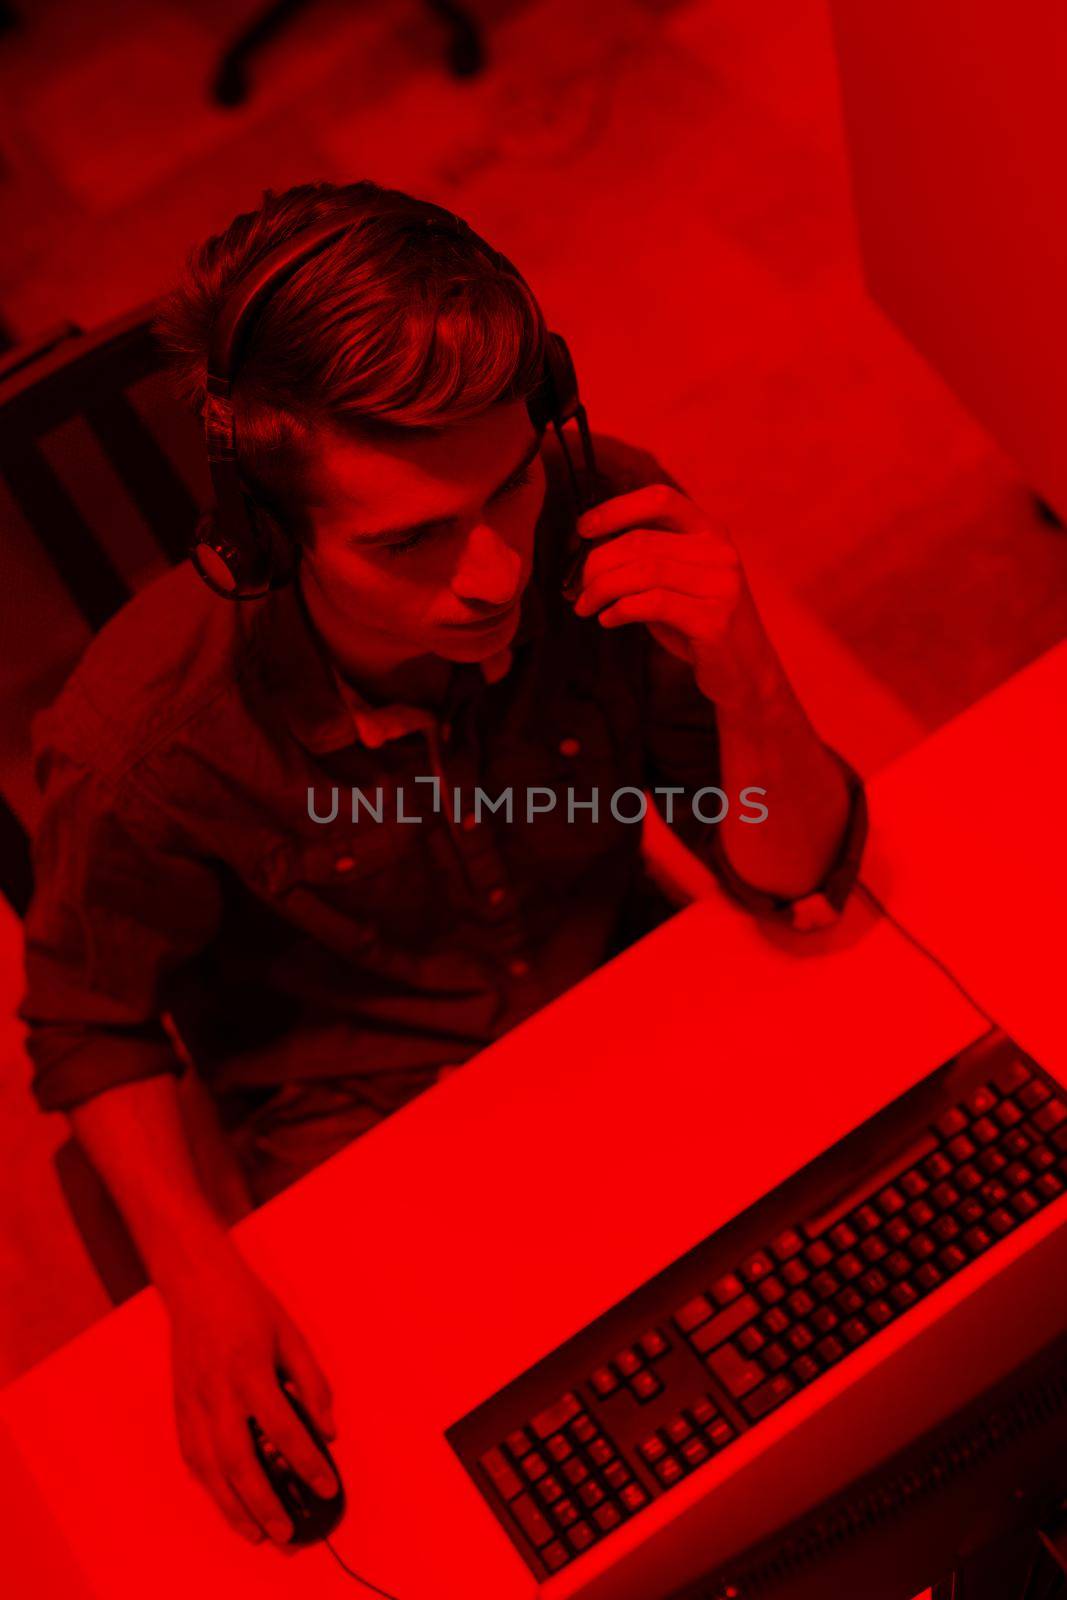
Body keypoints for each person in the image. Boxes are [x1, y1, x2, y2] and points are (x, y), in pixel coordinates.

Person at [18, 180, 866, 1552]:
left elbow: (788, 868)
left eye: (513, 482)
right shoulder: (144, 741)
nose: (493, 573)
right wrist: (201, 1282)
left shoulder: (605, 520)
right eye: (408, 539)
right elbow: (92, 1021)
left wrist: (755, 681)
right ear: (265, 538)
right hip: (358, 1137)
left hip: (623, 1009)